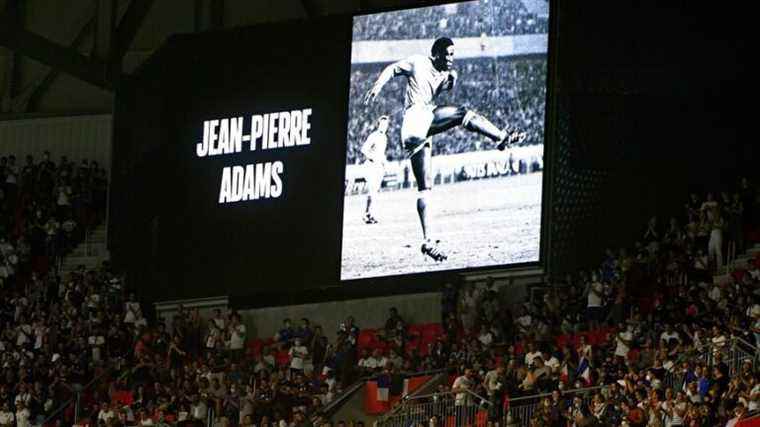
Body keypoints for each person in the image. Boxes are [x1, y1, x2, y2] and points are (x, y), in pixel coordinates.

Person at [364, 37, 526, 261]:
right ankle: (501, 137)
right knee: (463, 113)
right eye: (448, 54)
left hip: (415, 133)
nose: (451, 59)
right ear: (436, 54)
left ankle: (428, 241)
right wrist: (378, 86)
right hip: (416, 118)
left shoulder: (444, 73)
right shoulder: (418, 62)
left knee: (425, 189)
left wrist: (451, 81)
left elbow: (441, 89)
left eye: (453, 54)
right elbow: (393, 69)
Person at [360, 116, 390, 224]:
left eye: (386, 124)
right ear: (378, 124)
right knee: (372, 191)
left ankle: (368, 214)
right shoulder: (373, 136)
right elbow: (364, 149)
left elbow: (381, 154)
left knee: (374, 192)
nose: (384, 126)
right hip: (371, 166)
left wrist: (384, 164)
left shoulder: (384, 137)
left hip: (379, 167)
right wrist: (371, 157)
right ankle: (369, 214)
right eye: (382, 124)